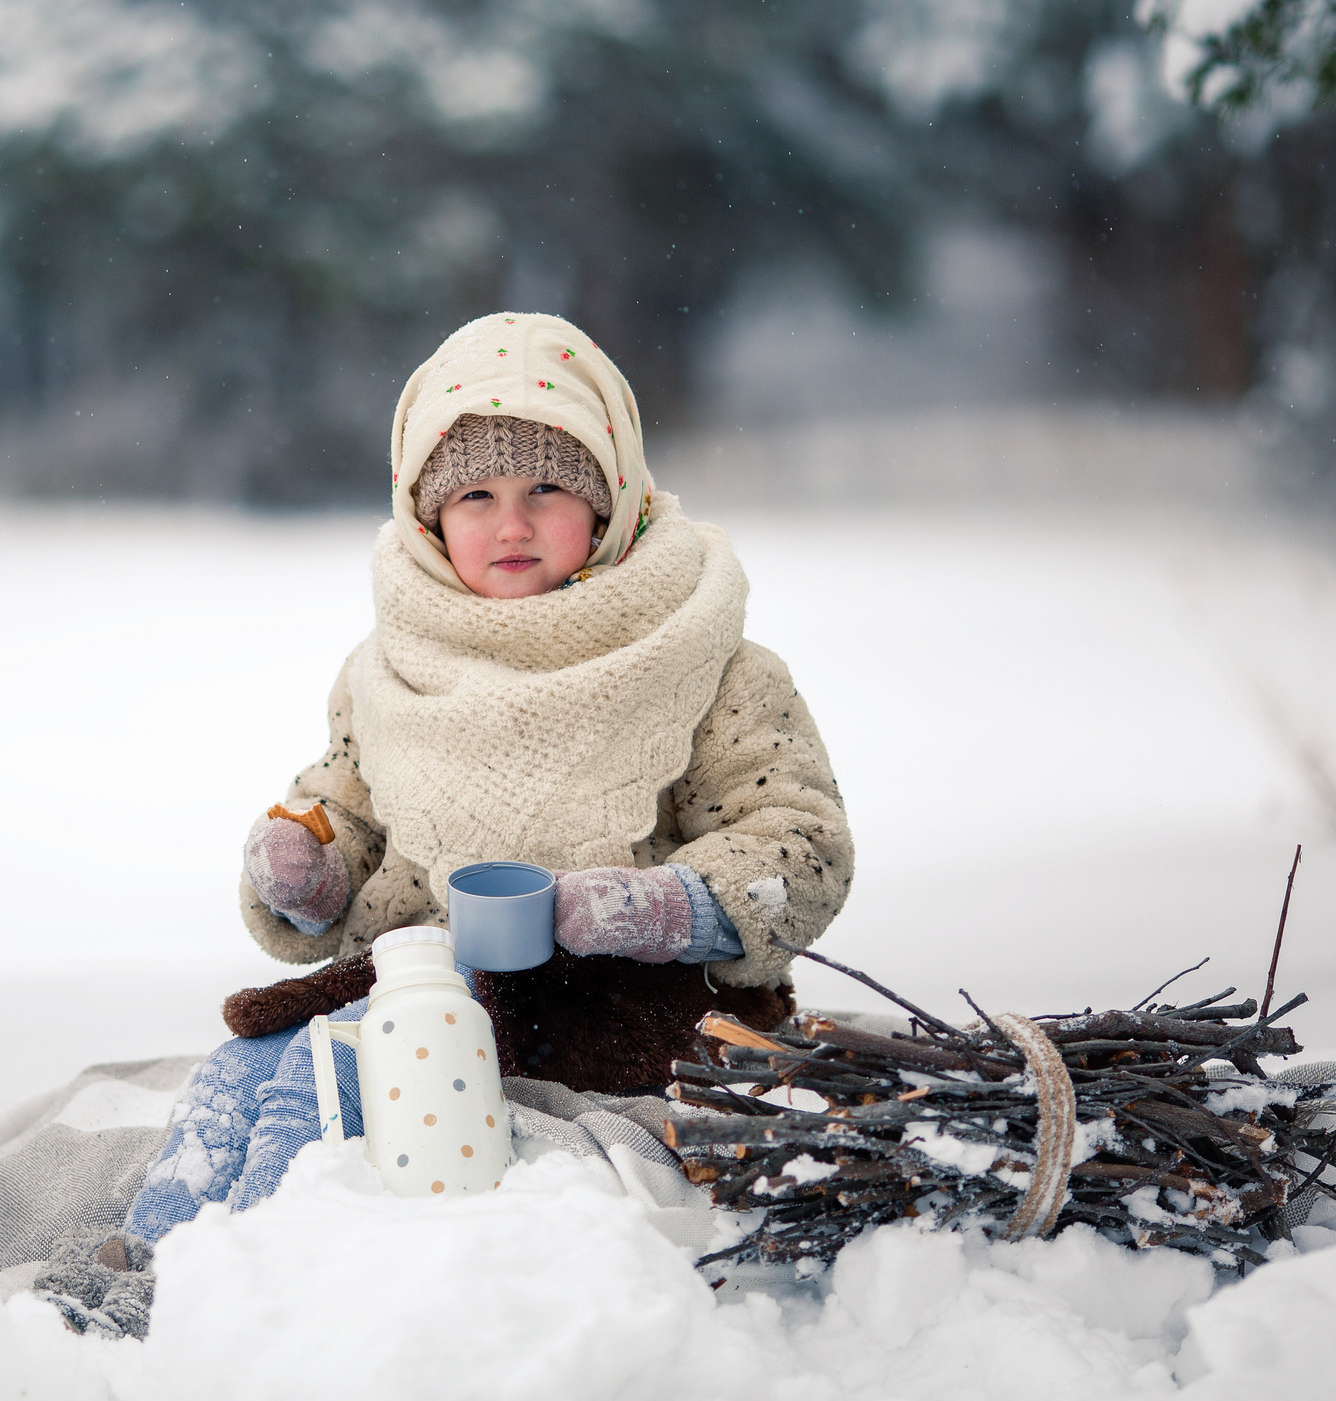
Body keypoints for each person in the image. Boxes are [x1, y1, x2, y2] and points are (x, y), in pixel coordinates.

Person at [123, 310, 854, 1247]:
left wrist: (669, 907)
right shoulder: (388, 667)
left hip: (630, 1016)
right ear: (428, 515)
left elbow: (803, 838)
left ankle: (263, 1260)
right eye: (475, 496)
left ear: (611, 494)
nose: (511, 524)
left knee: (326, 1082)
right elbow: (347, 799)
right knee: (244, 1070)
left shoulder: (710, 660)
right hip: (422, 986)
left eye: (549, 486)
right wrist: (314, 859)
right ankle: (154, 1255)